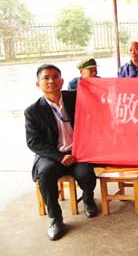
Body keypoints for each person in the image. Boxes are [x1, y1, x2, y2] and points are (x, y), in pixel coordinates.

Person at [25, 64, 98, 240]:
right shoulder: (33, 111)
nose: (51, 81)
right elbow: (33, 142)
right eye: (46, 78)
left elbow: (97, 97)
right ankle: (55, 219)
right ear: (38, 84)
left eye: (55, 77)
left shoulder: (75, 98)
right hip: (52, 155)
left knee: (86, 173)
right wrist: (59, 156)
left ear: (62, 81)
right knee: (45, 173)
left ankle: (88, 199)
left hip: (78, 152)